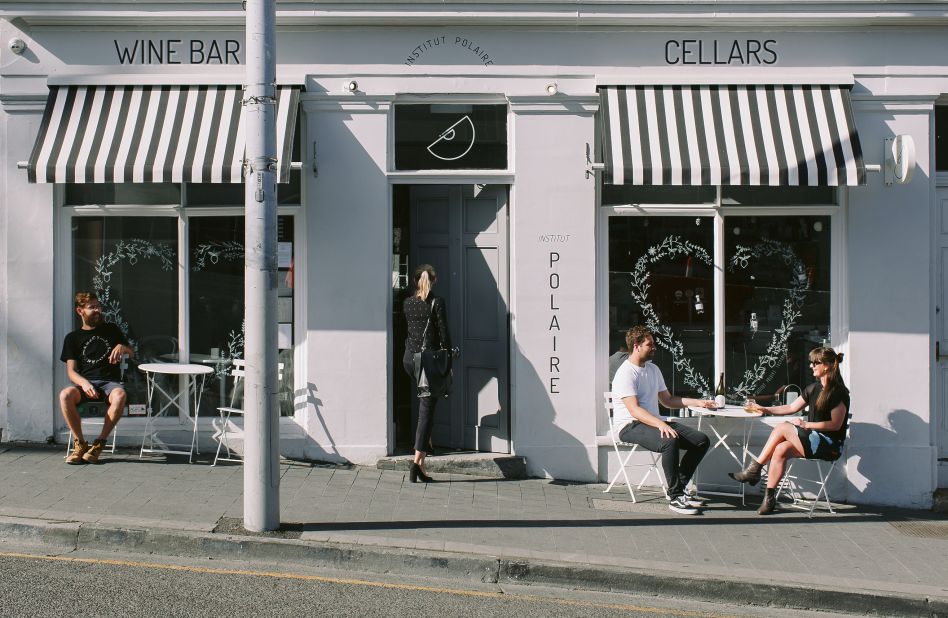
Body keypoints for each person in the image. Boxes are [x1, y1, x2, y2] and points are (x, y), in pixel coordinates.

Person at [729, 346, 849, 515]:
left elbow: (835, 425)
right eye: (811, 362)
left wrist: (807, 425)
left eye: (816, 362)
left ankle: (754, 469)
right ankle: (769, 498)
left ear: (827, 366)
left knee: (784, 427)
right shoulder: (813, 388)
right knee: (781, 449)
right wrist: (765, 409)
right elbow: (791, 407)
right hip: (814, 440)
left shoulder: (838, 392)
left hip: (829, 445)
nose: (811, 366)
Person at [612, 326, 716, 515]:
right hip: (629, 425)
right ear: (636, 346)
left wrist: (699, 402)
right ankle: (676, 498)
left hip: (652, 421)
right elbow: (634, 410)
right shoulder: (625, 373)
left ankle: (679, 488)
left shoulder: (653, 369)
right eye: (649, 344)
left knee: (701, 440)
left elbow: (667, 400)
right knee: (669, 439)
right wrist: (661, 424)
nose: (654, 348)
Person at [59, 292, 135, 464]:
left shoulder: (111, 330)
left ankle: (99, 443)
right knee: (65, 395)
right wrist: (84, 383)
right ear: (80, 311)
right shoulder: (72, 338)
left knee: (120, 395)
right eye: (92, 307)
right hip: (86, 384)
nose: (97, 310)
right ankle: (80, 444)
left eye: (98, 306)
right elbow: (71, 372)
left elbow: (132, 353)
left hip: (110, 383)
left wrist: (122, 347)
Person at [402, 264, 452, 483]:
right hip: (428, 363)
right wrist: (448, 360)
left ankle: (424, 455)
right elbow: (444, 334)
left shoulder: (407, 303)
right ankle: (416, 463)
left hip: (409, 360)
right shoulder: (436, 302)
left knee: (426, 404)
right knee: (426, 411)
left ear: (415, 281)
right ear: (434, 280)